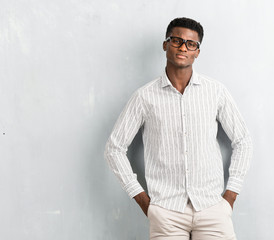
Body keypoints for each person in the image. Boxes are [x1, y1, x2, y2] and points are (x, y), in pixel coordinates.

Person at [104, 17, 253, 240]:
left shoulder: (215, 92)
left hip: (212, 208)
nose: (183, 47)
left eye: (190, 43)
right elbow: (114, 149)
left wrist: (230, 196)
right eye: (177, 40)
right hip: (166, 213)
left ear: (197, 52)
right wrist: (144, 201)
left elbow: (243, 140)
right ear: (166, 45)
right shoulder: (144, 97)